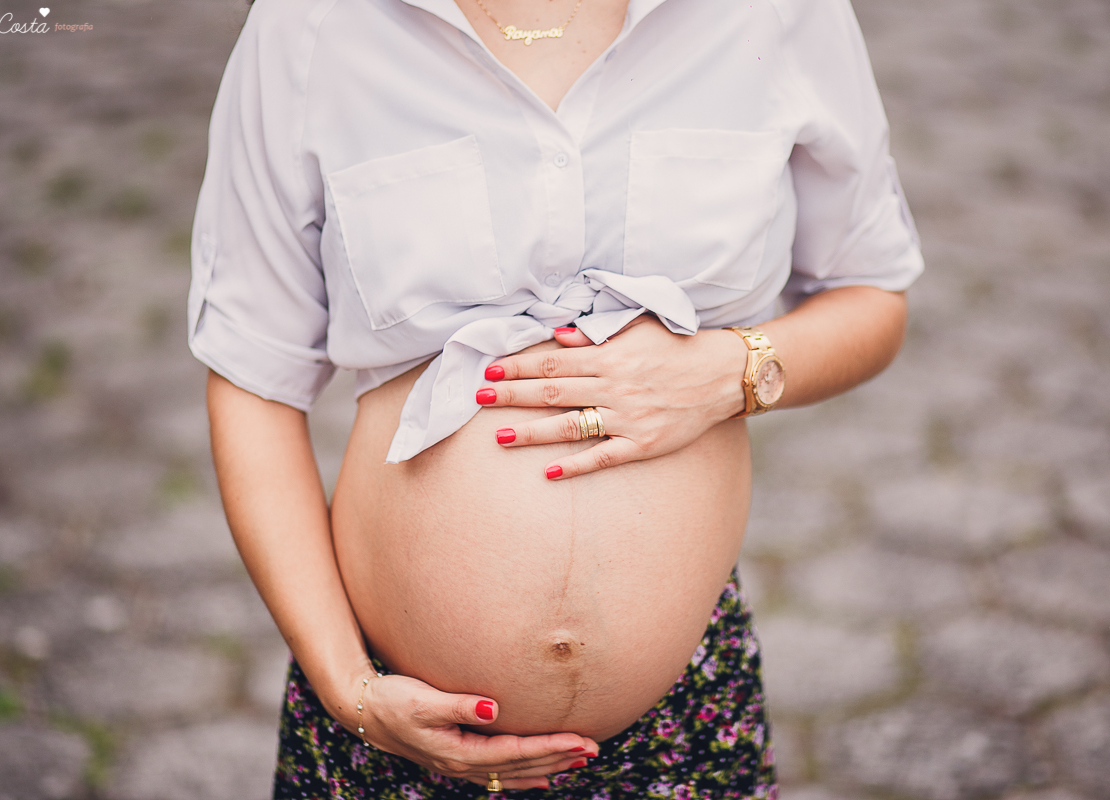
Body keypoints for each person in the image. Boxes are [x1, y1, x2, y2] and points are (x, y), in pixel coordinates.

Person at [187, 0, 922, 795]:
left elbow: (871, 295)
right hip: (394, 717)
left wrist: (731, 371)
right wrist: (349, 688)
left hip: (685, 717)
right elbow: (252, 378)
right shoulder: (312, 25)